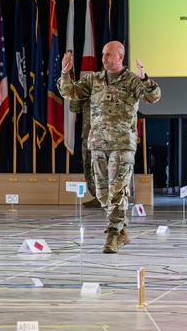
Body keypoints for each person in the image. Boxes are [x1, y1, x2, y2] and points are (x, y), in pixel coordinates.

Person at [58, 40, 161, 253]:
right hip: (97, 143)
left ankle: (113, 235)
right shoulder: (94, 79)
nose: (104, 58)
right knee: (102, 193)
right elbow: (70, 93)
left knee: (117, 189)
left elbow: (153, 96)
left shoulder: (132, 80)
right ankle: (121, 229)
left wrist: (144, 79)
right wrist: (65, 73)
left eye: (109, 55)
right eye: (104, 54)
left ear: (120, 57)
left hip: (122, 144)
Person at [68, 96, 101, 208]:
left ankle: (108, 197)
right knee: (88, 167)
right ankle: (97, 196)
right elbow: (74, 108)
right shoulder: (86, 87)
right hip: (88, 134)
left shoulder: (110, 86)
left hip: (106, 136)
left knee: (104, 168)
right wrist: (77, 93)